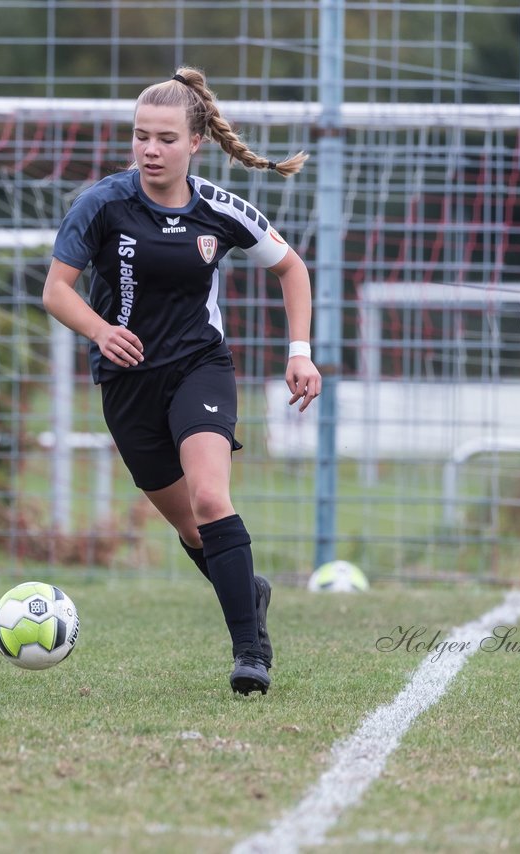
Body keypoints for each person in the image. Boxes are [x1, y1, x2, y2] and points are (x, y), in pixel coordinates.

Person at [41, 67, 321, 695]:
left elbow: (292, 268)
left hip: (200, 370)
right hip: (126, 381)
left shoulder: (219, 208)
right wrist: (98, 329)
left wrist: (299, 352)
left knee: (211, 501)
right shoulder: (102, 204)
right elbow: (56, 291)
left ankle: (251, 654)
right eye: (141, 137)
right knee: (192, 530)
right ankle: (252, 593)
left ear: (195, 142)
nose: (149, 150)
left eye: (165, 138)